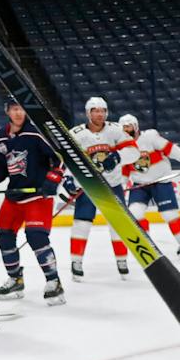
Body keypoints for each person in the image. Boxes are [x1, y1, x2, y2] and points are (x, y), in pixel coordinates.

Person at [0, 99, 66, 305]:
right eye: (15, 109)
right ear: (7, 111)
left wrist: (55, 177)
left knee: (36, 237)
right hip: (14, 196)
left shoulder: (35, 133)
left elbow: (58, 158)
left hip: (37, 196)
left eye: (22, 109)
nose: (19, 113)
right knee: (4, 236)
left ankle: (54, 282)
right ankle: (15, 279)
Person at [64, 96, 140, 281]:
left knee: (118, 225)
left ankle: (122, 261)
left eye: (102, 110)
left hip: (112, 185)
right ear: (88, 113)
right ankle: (76, 262)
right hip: (89, 186)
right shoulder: (77, 133)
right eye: (95, 110)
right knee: (82, 224)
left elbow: (134, 151)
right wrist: (67, 178)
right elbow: (67, 158)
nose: (99, 114)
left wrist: (117, 157)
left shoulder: (116, 130)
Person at [117, 113, 180, 259]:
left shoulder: (149, 137)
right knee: (134, 215)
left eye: (128, 127)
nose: (126, 130)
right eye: (123, 128)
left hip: (161, 182)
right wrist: (119, 185)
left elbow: (169, 148)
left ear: (135, 127)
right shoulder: (123, 147)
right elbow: (124, 171)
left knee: (170, 215)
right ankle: (148, 247)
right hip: (140, 185)